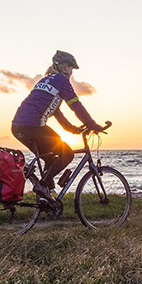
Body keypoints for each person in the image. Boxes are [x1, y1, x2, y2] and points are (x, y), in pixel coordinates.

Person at [11, 50, 104, 197]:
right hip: (33, 126)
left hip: (16, 127)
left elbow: (57, 113)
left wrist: (74, 130)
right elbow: (76, 105)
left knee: (50, 158)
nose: (72, 73)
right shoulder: (62, 81)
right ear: (65, 67)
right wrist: (93, 125)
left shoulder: (45, 81)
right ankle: (42, 187)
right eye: (72, 69)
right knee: (67, 154)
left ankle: (47, 197)